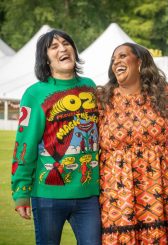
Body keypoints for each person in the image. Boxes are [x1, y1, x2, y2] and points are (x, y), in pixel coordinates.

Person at [11, 29, 101, 245]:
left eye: (66, 43)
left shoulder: (90, 86)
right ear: (46, 59)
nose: (63, 48)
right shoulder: (34, 94)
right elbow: (25, 144)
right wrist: (21, 191)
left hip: (89, 194)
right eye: (54, 46)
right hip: (48, 195)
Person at [97, 42, 168, 244]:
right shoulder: (103, 99)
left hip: (159, 188)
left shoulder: (164, 96)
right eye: (114, 59)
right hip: (117, 189)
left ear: (140, 62)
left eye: (123, 56)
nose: (116, 61)